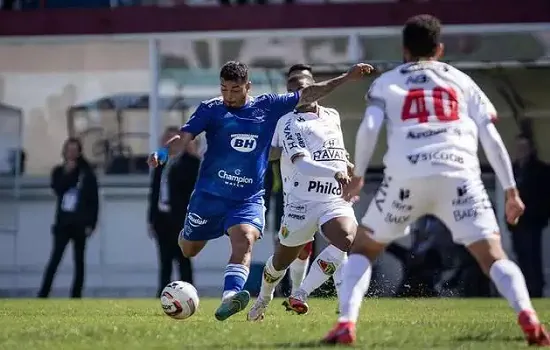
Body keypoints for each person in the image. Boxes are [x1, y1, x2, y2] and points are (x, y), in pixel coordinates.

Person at [323, 15, 550, 346]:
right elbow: (491, 137)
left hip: (406, 175)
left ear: (404, 50)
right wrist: (511, 190)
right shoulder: (462, 81)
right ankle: (528, 317)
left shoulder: (387, 81)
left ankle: (346, 323)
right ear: (440, 49)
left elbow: (370, 127)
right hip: (460, 174)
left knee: (364, 249)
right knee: (493, 257)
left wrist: (358, 177)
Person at [148, 60, 373, 321]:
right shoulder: (211, 109)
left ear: (248, 87)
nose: (229, 96)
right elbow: (184, 137)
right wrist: (165, 151)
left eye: (235, 90)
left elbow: (311, 93)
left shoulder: (267, 106)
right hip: (210, 195)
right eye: (224, 90)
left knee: (245, 239)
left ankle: (231, 297)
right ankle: (201, 245)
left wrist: (346, 77)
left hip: (248, 197)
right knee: (189, 249)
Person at [252, 71, 353, 321]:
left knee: (345, 238)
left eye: (306, 88)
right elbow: (304, 164)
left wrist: (346, 163)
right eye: (294, 91)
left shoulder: (332, 115)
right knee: (280, 262)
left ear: (316, 88)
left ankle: (301, 293)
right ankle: (263, 299)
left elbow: (334, 147)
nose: (301, 94)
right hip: (300, 202)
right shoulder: (287, 121)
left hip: (331, 198)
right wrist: (336, 171)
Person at [38, 138, 99, 298]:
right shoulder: (59, 171)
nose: (71, 154)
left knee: (79, 261)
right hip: (63, 222)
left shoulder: (86, 173)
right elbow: (58, 188)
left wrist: (91, 223)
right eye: (68, 150)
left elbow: (94, 200)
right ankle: (44, 292)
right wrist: (68, 172)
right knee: (55, 258)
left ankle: (76, 294)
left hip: (80, 222)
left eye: (74, 150)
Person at [148, 126, 199, 297]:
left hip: (180, 218)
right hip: (162, 218)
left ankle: (188, 294)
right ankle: (163, 294)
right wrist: (151, 219)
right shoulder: (160, 163)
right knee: (165, 260)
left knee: (183, 259)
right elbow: (154, 192)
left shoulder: (190, 162)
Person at [509, 134, 550, 298]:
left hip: (533, 221)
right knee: (520, 257)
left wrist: (539, 215)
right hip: (515, 223)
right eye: (519, 147)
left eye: (524, 147)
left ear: (531, 149)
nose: (521, 151)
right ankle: (523, 291)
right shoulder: (512, 170)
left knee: (533, 258)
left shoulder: (541, 170)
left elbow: (545, 197)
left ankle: (536, 292)